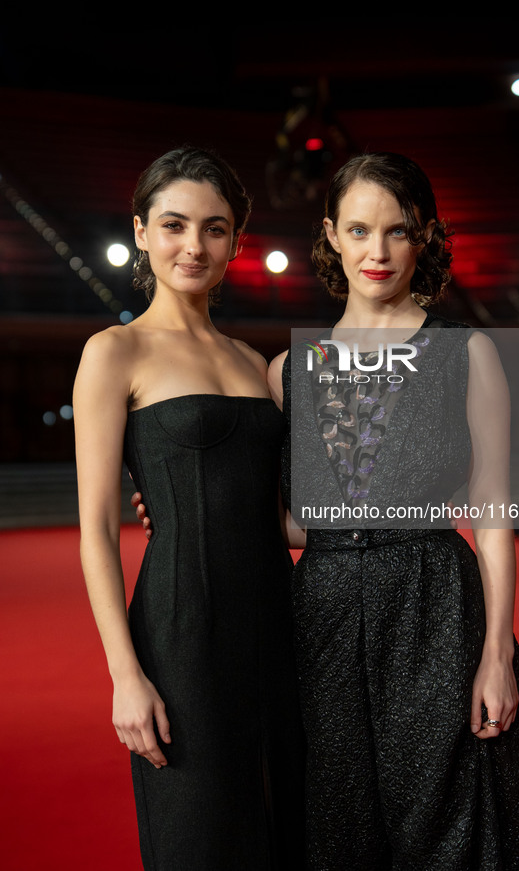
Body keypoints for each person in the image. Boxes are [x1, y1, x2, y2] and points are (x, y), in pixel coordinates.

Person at [265, 153, 519, 870]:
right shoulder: (284, 374)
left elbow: (491, 515)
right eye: (359, 229)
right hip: (323, 620)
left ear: (422, 236)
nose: (377, 251)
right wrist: (189, 512)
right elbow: (301, 525)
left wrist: (495, 656)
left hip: (434, 609)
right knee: (336, 824)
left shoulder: (467, 354)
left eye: (396, 231)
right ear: (331, 233)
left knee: (446, 822)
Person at [73, 146, 304, 870]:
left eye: (214, 227)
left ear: (237, 239)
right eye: (174, 225)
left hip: (279, 625)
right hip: (180, 633)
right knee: (200, 836)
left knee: (285, 826)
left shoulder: (249, 359)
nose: (193, 246)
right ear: (141, 231)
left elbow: (280, 515)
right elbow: (94, 532)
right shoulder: (115, 351)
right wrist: (125, 675)